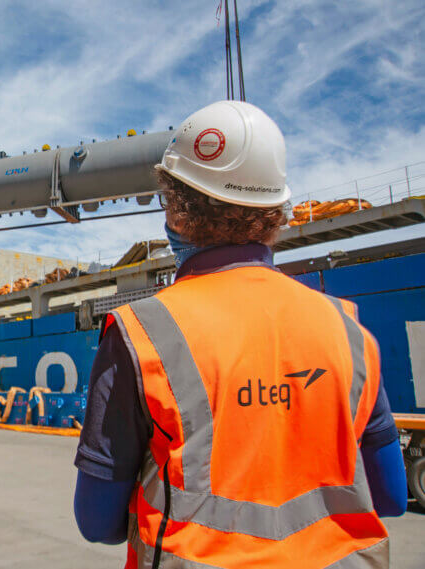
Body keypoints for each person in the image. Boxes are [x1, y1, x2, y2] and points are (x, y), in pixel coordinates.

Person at [73, 101, 408, 568]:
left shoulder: (140, 334)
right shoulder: (348, 329)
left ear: (176, 212)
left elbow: (97, 522)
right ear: (275, 211)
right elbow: (391, 497)